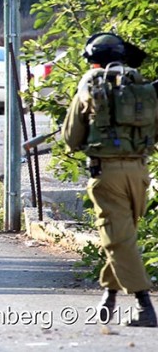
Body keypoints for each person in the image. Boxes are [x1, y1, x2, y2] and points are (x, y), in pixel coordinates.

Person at [60, 32, 157, 327]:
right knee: (122, 237)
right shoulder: (143, 88)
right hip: (140, 174)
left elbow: (70, 138)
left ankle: (145, 307)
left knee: (117, 239)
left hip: (108, 175)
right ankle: (109, 297)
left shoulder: (89, 87)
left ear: (93, 61)